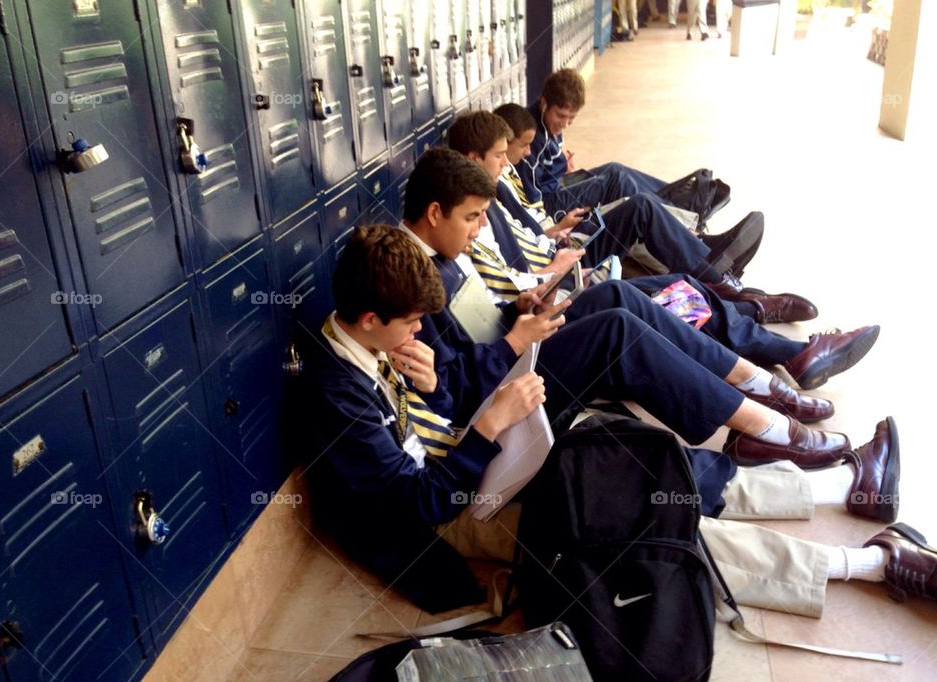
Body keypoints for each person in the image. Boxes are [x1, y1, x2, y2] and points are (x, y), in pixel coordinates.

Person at [303, 224, 933, 620]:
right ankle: (870, 567)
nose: (421, 334)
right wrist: (491, 424)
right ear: (365, 319)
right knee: (631, 512)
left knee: (630, 452)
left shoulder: (375, 345)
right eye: (411, 324)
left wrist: (439, 389)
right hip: (457, 513)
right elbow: (418, 504)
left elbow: (427, 426)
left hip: (471, 461)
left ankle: (835, 487)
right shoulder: (341, 398)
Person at [450, 108, 880, 391]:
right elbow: (500, 305)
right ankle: (751, 311)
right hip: (546, 292)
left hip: (551, 265)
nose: (510, 162)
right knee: (646, 285)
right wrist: (547, 269)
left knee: (676, 281)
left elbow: (513, 263)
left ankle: (749, 309)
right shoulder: (463, 225)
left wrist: (553, 240)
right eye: (501, 155)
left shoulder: (485, 197)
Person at [517, 70, 763, 278]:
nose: (565, 124)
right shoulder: (530, 138)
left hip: (560, 182)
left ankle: (685, 215)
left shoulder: (549, 121)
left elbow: (551, 158)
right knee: (617, 180)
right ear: (543, 103)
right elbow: (534, 199)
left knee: (616, 169)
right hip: (551, 201)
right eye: (561, 116)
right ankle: (689, 224)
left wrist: (564, 165)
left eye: (571, 118)